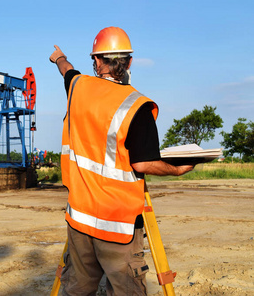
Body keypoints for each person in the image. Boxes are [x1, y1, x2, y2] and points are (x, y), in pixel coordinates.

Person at [49, 26, 194, 296]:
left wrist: (58, 56)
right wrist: (177, 170)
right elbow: (143, 164)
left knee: (77, 289)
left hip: (79, 220)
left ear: (96, 62)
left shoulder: (78, 86)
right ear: (129, 62)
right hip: (118, 226)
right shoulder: (137, 106)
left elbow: (66, 69)